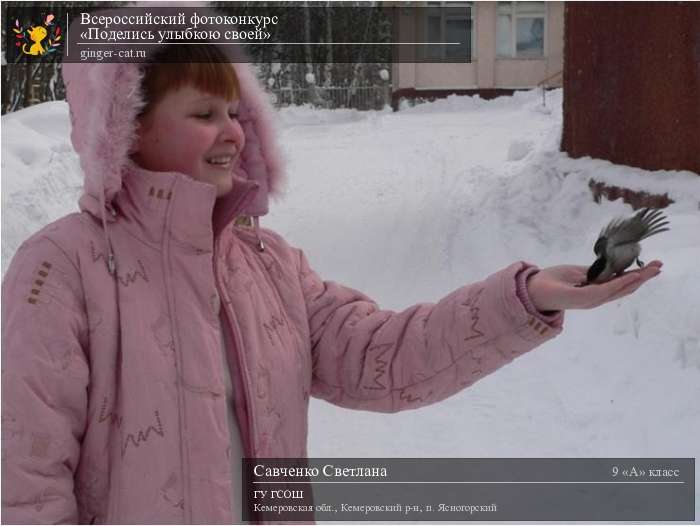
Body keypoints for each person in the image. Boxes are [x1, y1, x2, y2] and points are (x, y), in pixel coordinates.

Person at [1, 26, 662, 526]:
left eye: (235, 113)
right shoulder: (64, 267)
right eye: (203, 114)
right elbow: (24, 474)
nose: (232, 132)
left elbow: (384, 357)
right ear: (126, 133)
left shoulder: (268, 264)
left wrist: (525, 297)